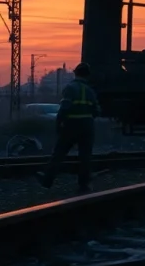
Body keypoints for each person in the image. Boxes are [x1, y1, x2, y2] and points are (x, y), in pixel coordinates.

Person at [37, 62, 101, 193]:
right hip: (87, 126)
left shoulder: (70, 88)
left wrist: (59, 123)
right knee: (85, 156)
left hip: (71, 125)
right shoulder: (90, 90)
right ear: (87, 75)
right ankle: (84, 184)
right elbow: (97, 111)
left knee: (59, 153)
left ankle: (47, 180)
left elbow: (64, 108)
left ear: (75, 73)